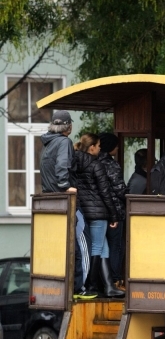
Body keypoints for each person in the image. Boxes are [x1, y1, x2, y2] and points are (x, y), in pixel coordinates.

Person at [40, 111, 95, 299]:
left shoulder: (48, 145)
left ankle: (71, 286)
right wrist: (66, 187)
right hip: (67, 201)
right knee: (83, 241)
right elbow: (62, 166)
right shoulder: (63, 142)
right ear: (68, 127)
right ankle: (81, 287)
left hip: (52, 200)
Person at [72, 134, 124, 298]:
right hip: (98, 211)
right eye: (99, 146)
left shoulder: (74, 162)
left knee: (103, 246)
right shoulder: (96, 165)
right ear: (92, 147)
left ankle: (108, 285)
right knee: (97, 247)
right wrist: (113, 215)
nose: (101, 149)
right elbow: (105, 192)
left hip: (84, 210)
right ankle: (91, 284)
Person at [97, 134, 128, 288]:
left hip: (97, 211)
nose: (118, 148)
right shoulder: (111, 165)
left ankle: (102, 280)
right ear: (111, 147)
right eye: (116, 146)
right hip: (115, 211)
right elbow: (119, 189)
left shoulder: (94, 161)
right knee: (117, 245)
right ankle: (115, 279)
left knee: (101, 247)